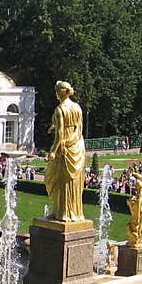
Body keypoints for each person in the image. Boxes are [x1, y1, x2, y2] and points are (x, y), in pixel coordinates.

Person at [44, 80, 86, 222]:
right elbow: (78, 128)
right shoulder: (77, 107)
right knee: (72, 182)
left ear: (58, 93)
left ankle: (62, 212)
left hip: (64, 149)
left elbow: (61, 133)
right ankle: (71, 212)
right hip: (77, 145)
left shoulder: (60, 109)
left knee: (55, 179)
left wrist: (53, 151)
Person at [127, 172, 142, 247]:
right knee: (140, 225)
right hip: (141, 207)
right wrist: (134, 173)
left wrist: (137, 216)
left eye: (136, 187)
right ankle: (138, 239)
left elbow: (139, 202)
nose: (135, 189)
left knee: (138, 224)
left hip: (139, 208)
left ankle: (137, 240)